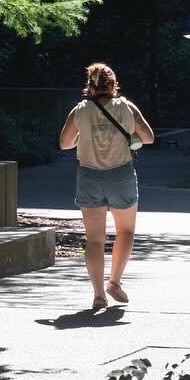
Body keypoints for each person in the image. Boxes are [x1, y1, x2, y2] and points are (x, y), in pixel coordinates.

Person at [57, 62, 156, 311]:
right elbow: (149, 137)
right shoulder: (126, 107)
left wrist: (84, 134)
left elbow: (65, 144)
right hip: (120, 175)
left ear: (90, 86)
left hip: (89, 175)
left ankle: (99, 295)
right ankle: (114, 282)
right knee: (125, 231)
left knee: (94, 240)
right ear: (113, 84)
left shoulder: (79, 111)